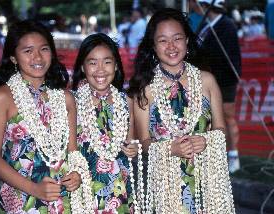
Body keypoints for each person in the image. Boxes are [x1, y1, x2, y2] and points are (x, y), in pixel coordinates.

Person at [128, 8, 235, 213]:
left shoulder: (207, 81)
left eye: (177, 38)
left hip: (209, 183)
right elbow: (143, 141)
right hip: (167, 187)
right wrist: (171, 149)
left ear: (187, 40)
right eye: (163, 40)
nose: (171, 47)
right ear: (153, 46)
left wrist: (207, 140)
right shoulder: (146, 90)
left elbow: (221, 129)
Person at [0, 20, 93, 213]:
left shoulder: (65, 98)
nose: (38, 57)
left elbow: (73, 151)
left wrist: (77, 173)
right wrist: (34, 189)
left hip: (62, 199)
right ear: (14, 58)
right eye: (27, 51)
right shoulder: (3, 98)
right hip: (21, 199)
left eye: (44, 49)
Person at [72, 33, 139, 213]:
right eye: (92, 62)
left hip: (120, 191)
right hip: (85, 191)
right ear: (83, 67)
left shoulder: (126, 101)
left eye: (107, 62)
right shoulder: (72, 101)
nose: (100, 69)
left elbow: (129, 143)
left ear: (116, 65)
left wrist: (132, 148)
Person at [197, 0, 241, 173]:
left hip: (224, 80)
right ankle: (215, 155)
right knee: (209, 119)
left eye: (198, 4)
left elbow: (227, 57)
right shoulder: (205, 26)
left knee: (228, 117)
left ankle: (234, 156)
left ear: (206, 5)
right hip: (208, 81)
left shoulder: (226, 25)